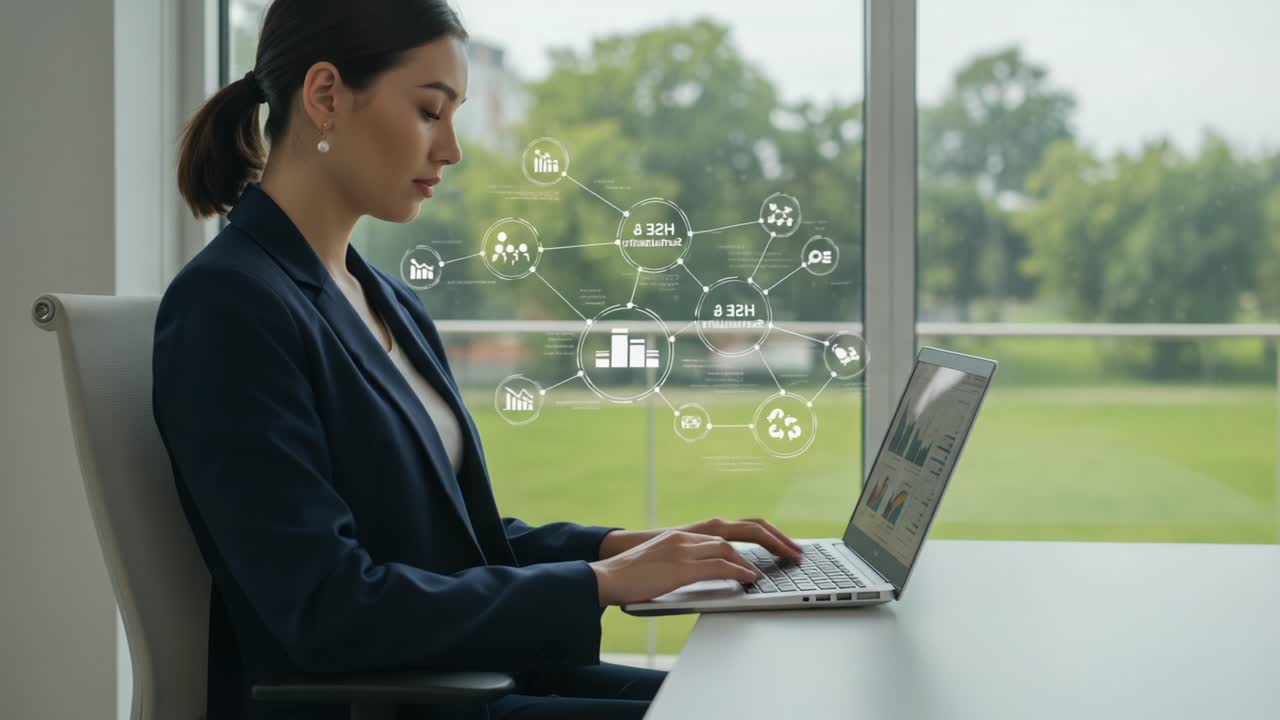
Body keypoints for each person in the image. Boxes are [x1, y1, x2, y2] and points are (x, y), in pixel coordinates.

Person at [155, 1, 805, 718]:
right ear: (326, 96)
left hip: (463, 678)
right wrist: (601, 582)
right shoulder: (230, 305)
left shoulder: (387, 300)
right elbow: (326, 606)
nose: (452, 149)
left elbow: (456, 545)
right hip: (381, 704)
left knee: (772, 703)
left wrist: (635, 549)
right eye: (430, 111)